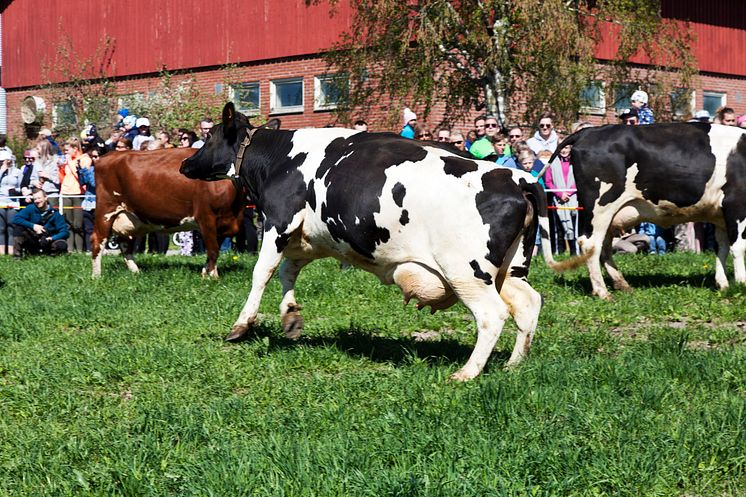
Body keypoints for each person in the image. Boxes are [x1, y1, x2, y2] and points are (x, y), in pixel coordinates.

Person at [12, 188, 69, 258]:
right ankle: (17, 257)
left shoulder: (56, 214)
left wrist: (51, 238)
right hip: (33, 239)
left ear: (45, 198)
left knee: (61, 244)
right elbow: (16, 219)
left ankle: (51, 257)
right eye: (35, 199)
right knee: (18, 228)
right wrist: (33, 226)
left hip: (49, 240)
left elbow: (65, 232)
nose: (37, 201)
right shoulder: (30, 208)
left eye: (39, 198)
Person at [544, 141, 578, 254]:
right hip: (558, 199)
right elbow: (548, 182)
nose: (564, 150)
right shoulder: (552, 163)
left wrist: (568, 192)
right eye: (562, 147)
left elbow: (579, 179)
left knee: (574, 225)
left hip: (573, 198)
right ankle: (559, 252)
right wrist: (560, 194)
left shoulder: (576, 161)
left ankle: (575, 251)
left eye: (567, 147)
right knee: (559, 227)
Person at [59, 138, 87, 252]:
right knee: (67, 223)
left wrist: (70, 163)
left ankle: (79, 250)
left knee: (78, 224)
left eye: (67, 150)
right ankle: (70, 249)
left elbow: (82, 176)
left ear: (75, 148)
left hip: (78, 193)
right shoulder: (66, 160)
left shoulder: (83, 159)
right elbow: (62, 177)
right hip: (65, 193)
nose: (65, 152)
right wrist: (60, 167)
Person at [0, 149, 23, 254]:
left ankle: (11, 251)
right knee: (1, 228)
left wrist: (16, 191)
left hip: (13, 202)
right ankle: (1, 252)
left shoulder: (17, 172)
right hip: (1, 201)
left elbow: (22, 187)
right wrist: (2, 171)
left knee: (11, 227)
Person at [79, 149, 98, 251]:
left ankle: (99, 249)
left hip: (99, 203)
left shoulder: (105, 170)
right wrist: (80, 170)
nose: (94, 159)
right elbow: (82, 182)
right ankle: (89, 249)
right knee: (88, 228)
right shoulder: (90, 169)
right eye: (93, 157)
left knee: (99, 229)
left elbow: (95, 184)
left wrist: (85, 170)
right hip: (88, 202)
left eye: (97, 156)